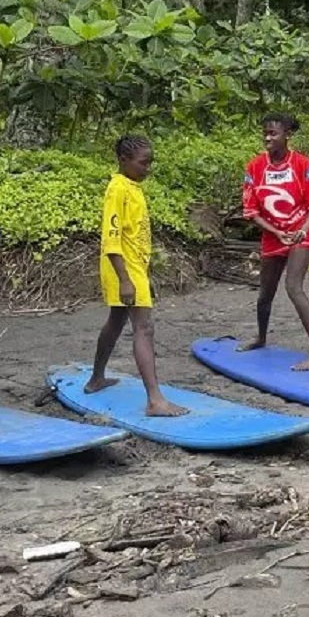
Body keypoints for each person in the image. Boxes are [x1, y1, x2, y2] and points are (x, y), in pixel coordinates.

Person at [83, 136, 189, 417]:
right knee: (144, 328)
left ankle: (96, 379)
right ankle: (155, 400)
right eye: (143, 163)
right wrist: (126, 279)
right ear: (123, 160)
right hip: (123, 268)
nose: (148, 168)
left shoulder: (133, 186)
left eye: (150, 162)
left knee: (116, 320)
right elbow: (111, 239)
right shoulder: (117, 190)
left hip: (134, 267)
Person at [236, 113, 309, 370]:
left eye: (273, 133)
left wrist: (302, 229)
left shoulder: (301, 164)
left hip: (301, 232)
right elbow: (251, 211)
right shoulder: (254, 167)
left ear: (287, 135)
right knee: (265, 294)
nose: (267, 137)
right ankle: (261, 337)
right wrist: (276, 233)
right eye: (265, 132)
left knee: (293, 287)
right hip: (273, 236)